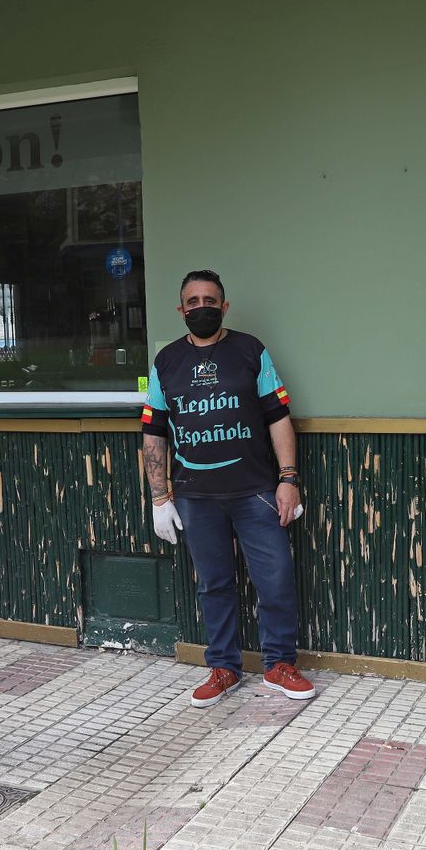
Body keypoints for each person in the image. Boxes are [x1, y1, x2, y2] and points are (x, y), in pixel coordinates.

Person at [142, 269, 314, 708]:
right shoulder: (166, 363)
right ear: (180, 309)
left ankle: (279, 664)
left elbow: (278, 417)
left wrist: (289, 478)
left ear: (225, 305)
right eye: (193, 301)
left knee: (275, 579)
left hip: (254, 490)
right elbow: (154, 432)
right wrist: (160, 497)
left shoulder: (249, 350)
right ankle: (223, 667)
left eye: (210, 300)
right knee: (213, 584)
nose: (202, 307)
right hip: (195, 496)